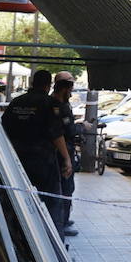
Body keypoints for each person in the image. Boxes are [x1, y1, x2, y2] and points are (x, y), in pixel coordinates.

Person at [1, 69, 71, 233]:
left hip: (17, 160)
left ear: (33, 82)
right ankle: (54, 246)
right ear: (49, 85)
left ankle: (18, 239)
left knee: (18, 200)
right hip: (43, 162)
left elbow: (3, 128)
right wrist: (66, 158)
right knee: (52, 203)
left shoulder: (16, 102)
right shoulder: (49, 104)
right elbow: (56, 133)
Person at [50, 72, 80, 236]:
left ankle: (64, 220)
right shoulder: (56, 106)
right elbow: (59, 133)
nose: (71, 92)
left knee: (67, 187)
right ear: (64, 88)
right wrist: (67, 159)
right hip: (61, 153)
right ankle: (61, 224)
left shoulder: (62, 104)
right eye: (70, 88)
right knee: (64, 187)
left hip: (64, 151)